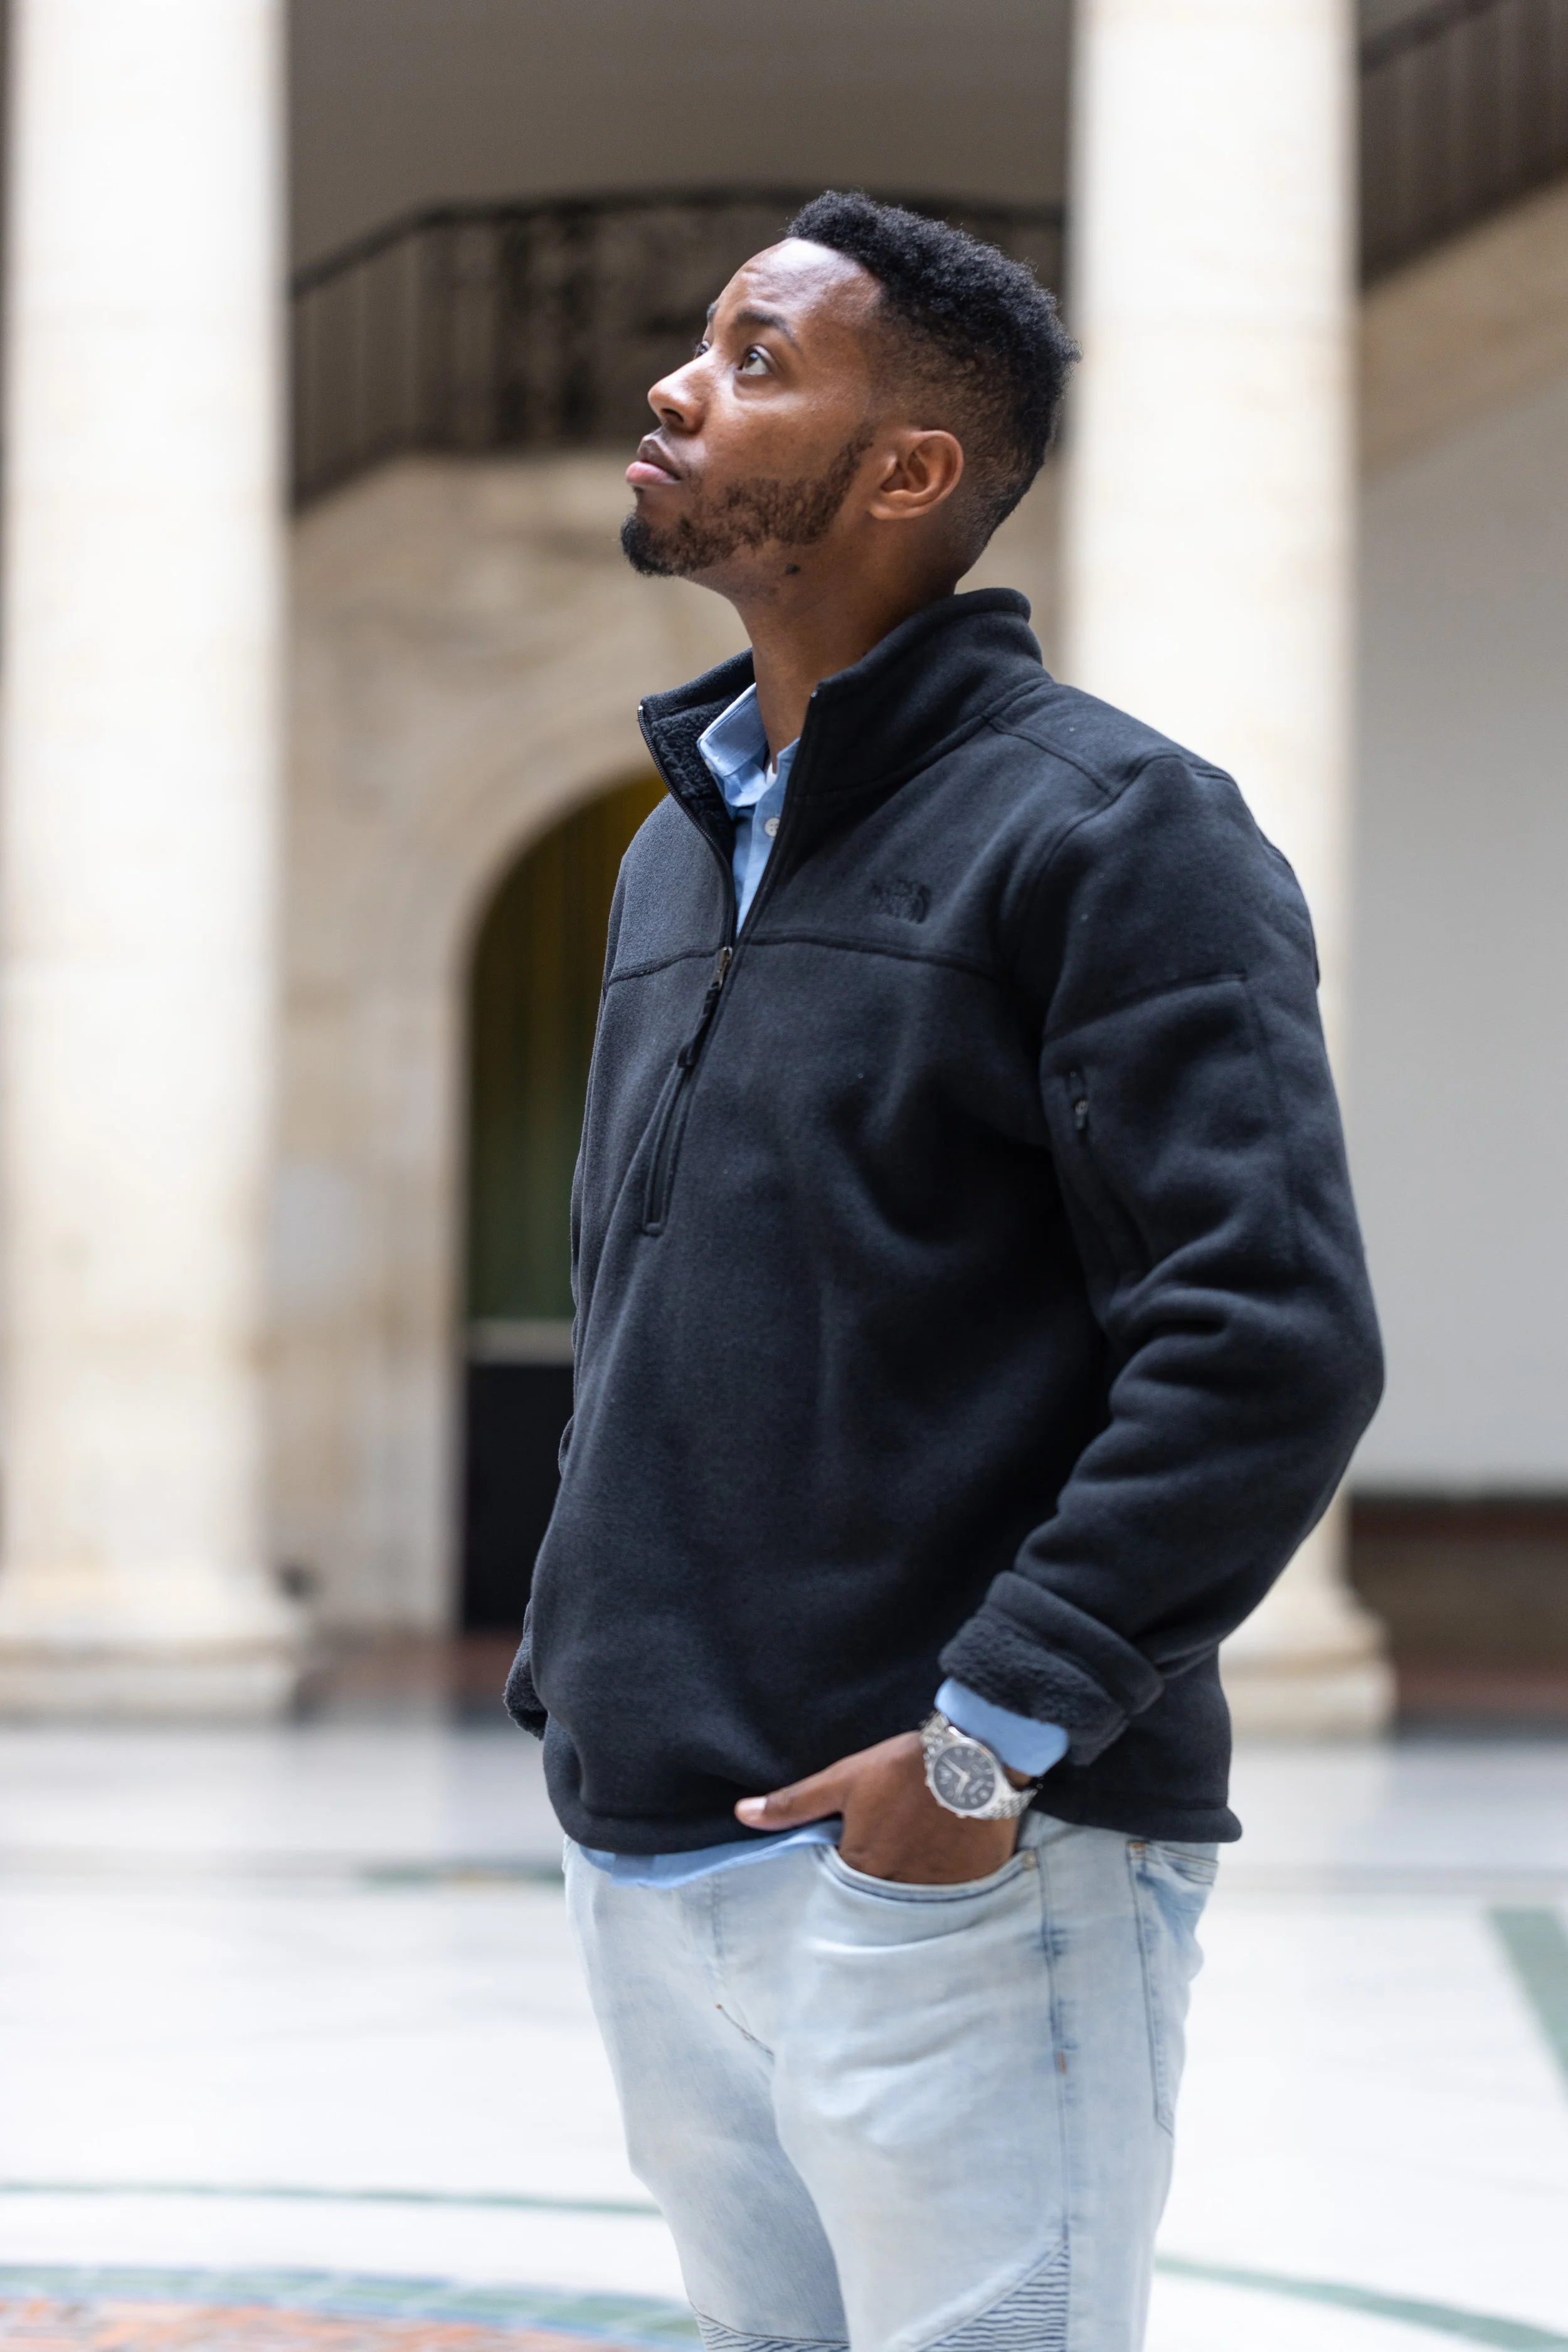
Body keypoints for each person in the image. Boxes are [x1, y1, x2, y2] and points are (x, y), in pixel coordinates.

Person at [506, 191, 1382, 2352]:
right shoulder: (674, 848)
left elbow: (1266, 1338)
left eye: (755, 360)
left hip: (964, 1866)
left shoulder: (1111, 828)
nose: (675, 388)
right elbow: (653, 1308)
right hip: (657, 1843)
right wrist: (577, 1677)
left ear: (907, 471)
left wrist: (981, 1752)